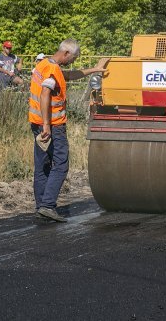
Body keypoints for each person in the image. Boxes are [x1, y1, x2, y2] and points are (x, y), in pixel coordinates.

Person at [29, 39, 109, 222]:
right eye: (73, 57)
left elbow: (70, 75)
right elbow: (45, 94)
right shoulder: (51, 70)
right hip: (52, 126)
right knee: (61, 164)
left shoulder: (44, 64)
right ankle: (48, 205)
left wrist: (94, 70)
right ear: (66, 53)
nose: (73, 60)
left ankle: (41, 206)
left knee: (43, 165)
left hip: (36, 123)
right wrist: (48, 125)